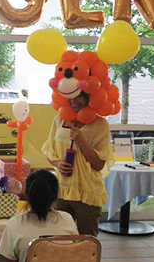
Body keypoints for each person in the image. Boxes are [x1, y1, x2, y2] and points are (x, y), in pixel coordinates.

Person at [41, 91, 114, 236]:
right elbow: (50, 151)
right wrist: (58, 163)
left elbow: (99, 165)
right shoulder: (59, 120)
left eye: (80, 96)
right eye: (71, 95)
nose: (74, 101)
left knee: (86, 241)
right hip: (62, 190)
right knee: (57, 238)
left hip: (87, 192)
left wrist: (82, 141)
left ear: (90, 97)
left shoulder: (100, 124)